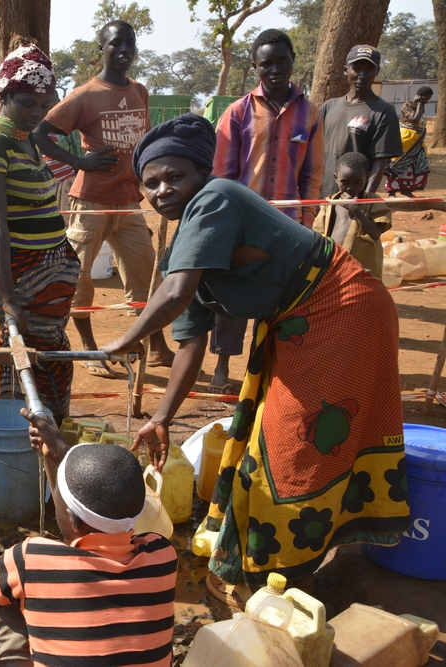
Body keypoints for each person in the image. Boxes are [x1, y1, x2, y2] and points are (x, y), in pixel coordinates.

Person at [102, 114, 408, 604]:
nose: (162, 190)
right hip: (299, 323)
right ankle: (277, 560)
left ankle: (293, 576)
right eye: (151, 183)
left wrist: (127, 337)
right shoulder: (186, 247)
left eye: (174, 176)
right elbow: (191, 344)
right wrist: (161, 419)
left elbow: (176, 294)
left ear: (200, 172)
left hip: (343, 311)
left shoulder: (215, 198)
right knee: (272, 436)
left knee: (300, 442)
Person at [0, 423, 176, 667]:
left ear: (68, 517)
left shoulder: (33, 558)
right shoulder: (163, 554)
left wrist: (8, 576)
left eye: (57, 493)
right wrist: (61, 453)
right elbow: (90, 524)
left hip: (41, 553)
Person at [32, 20, 174, 377]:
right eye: (116, 43)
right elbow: (40, 133)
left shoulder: (140, 92)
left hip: (128, 201)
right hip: (91, 201)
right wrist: (80, 161)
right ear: (102, 49)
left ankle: (156, 345)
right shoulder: (85, 95)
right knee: (79, 277)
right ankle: (90, 351)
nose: (124, 49)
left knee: (147, 272)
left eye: (130, 42)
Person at [0, 44, 80, 424]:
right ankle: (32, 435)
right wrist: (8, 299)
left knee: (34, 353)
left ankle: (35, 434)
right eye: (27, 103)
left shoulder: (25, 136)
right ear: (4, 96)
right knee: (35, 357)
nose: (37, 113)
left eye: (45, 105)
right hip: (20, 276)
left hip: (45, 273)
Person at [208, 28, 325, 394]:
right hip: (243, 224)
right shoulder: (239, 111)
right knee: (233, 295)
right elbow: (222, 172)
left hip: (289, 228)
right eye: (266, 63)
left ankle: (266, 372)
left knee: (280, 298)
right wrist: (224, 220)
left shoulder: (310, 113)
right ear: (255, 67)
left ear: (292, 61)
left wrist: (306, 222)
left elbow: (313, 175)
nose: (274, 69)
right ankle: (222, 369)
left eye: (281, 61)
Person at [319, 45, 402, 197]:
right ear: (346, 70)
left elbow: (380, 162)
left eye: (369, 69)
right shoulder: (328, 107)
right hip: (323, 199)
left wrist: (365, 202)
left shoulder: (384, 112)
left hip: (355, 201)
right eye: (357, 68)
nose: (362, 75)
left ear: (376, 72)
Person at [313, 151, 392, 279]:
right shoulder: (329, 203)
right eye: (345, 182)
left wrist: (356, 210)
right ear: (336, 178)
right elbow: (319, 234)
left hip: (361, 269)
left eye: (357, 182)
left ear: (367, 177)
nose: (350, 187)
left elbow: (375, 233)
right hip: (332, 265)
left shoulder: (373, 202)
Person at [385, 86, 434, 197]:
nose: (427, 101)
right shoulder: (408, 105)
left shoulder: (421, 106)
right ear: (419, 96)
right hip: (406, 139)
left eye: (428, 99)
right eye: (425, 99)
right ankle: (391, 191)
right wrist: (420, 104)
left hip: (417, 141)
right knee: (398, 163)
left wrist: (421, 104)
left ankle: (407, 189)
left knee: (416, 164)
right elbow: (415, 120)